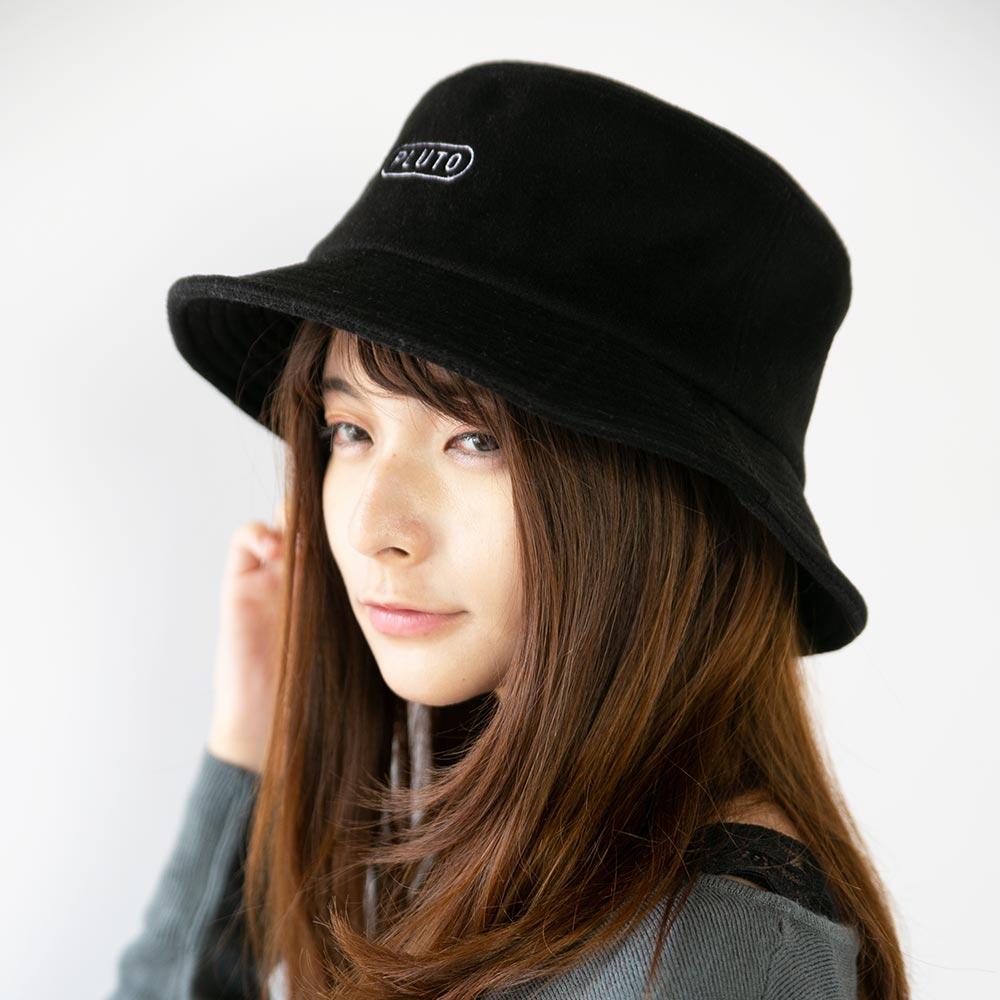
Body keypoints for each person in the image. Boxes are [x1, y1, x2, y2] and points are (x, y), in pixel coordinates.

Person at [106, 60, 909, 999]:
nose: (371, 528)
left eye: (476, 440)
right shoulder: (532, 869)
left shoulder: (698, 955)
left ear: (659, 504)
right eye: (350, 430)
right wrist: (254, 746)